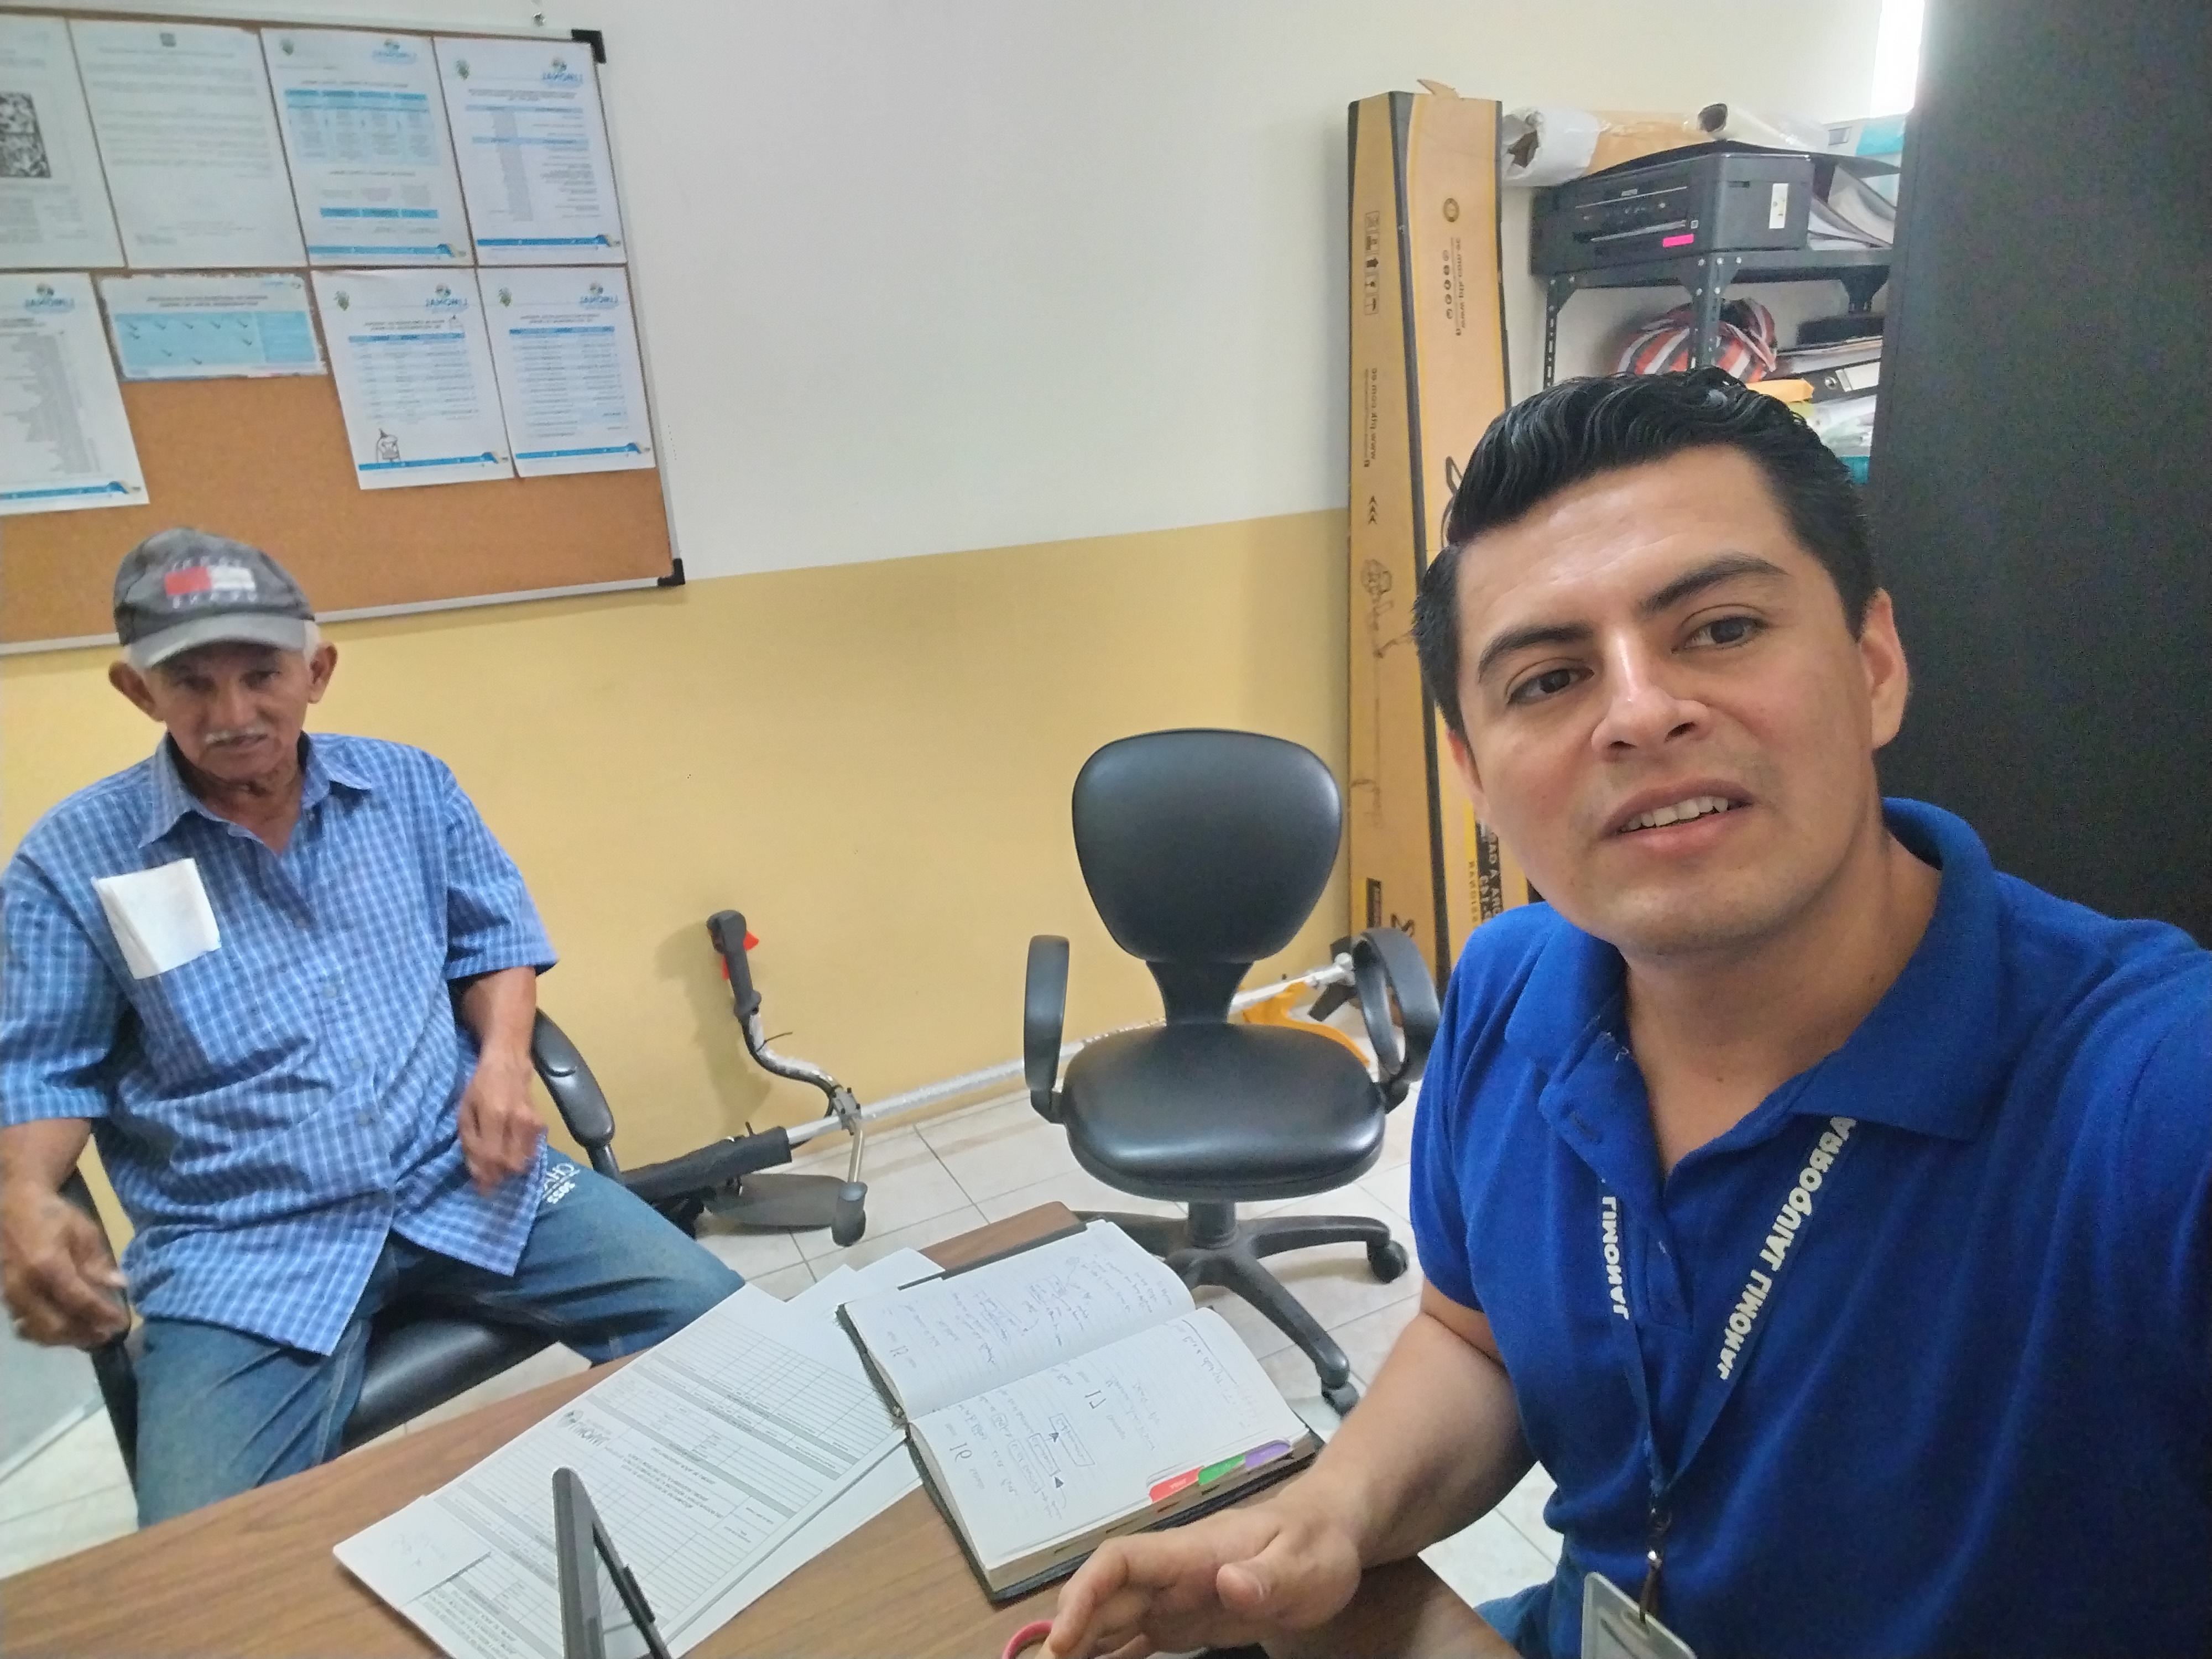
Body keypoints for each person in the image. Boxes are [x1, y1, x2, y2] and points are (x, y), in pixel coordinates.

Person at [1044, 371, 2210, 1659]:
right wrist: (1327, 1514)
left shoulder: (2152, 1106)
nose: (1641, 711)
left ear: (1873, 664)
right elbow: (1475, 1345)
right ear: (1472, 774)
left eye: (1720, 628)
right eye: (1547, 680)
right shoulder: (1510, 986)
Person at [0, 529, 743, 1526]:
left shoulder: (410, 789)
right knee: (202, 1558)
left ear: (317, 672)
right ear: (139, 692)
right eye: (192, 684)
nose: (234, 715)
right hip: (244, 1247)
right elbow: (45, 1068)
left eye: (262, 675)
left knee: (737, 1342)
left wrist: (502, 1063)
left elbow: (494, 941)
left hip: (462, 1176)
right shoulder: (70, 861)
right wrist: (24, 1193)